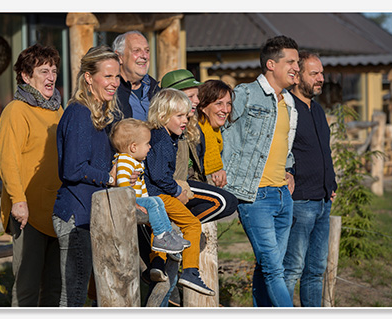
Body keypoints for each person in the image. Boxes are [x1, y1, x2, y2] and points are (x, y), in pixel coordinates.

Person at [223, 35, 300, 307]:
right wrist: (221, 170)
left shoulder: (289, 103)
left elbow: (283, 144)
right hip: (255, 197)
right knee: (274, 270)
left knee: (268, 266)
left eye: (298, 62)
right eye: (290, 62)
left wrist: (289, 170)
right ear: (271, 64)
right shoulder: (245, 94)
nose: (297, 67)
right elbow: (222, 131)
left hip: (283, 195)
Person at [53, 46, 131, 306]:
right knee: (73, 296)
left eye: (117, 76)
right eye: (107, 76)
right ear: (88, 77)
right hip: (76, 215)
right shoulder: (78, 113)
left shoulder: (101, 114)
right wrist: (109, 178)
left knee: (94, 296)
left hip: (92, 215)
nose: (114, 83)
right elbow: (72, 169)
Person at [0, 43, 63, 307]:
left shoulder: (58, 109)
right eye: (44, 71)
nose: (51, 77)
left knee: (54, 288)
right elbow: (7, 160)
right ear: (26, 76)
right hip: (28, 212)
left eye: (54, 70)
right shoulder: (16, 110)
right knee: (27, 287)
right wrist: (18, 200)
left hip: (57, 209)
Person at [144, 88, 214, 296]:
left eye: (186, 115)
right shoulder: (162, 140)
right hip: (159, 194)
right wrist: (177, 191)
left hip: (154, 196)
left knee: (162, 227)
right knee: (192, 224)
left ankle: (157, 264)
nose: (185, 120)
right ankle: (191, 271)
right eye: (179, 116)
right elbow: (159, 175)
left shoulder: (162, 136)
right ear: (162, 116)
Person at [282, 51, 337, 307]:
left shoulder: (317, 110)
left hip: (323, 200)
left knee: (315, 270)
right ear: (297, 77)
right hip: (300, 200)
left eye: (322, 73)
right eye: (314, 73)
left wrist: (331, 184)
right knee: (292, 268)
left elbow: (323, 151)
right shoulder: (286, 109)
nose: (321, 78)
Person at [110, 118, 190, 261]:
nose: (150, 147)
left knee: (157, 201)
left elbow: (142, 186)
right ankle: (160, 236)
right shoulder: (125, 161)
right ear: (133, 147)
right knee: (154, 203)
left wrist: (147, 199)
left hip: (138, 199)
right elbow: (123, 185)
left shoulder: (136, 162)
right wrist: (133, 203)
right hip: (130, 201)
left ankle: (167, 233)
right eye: (147, 144)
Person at [114, 31, 160, 121]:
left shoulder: (154, 89)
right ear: (119, 57)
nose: (144, 56)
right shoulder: (111, 91)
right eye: (137, 51)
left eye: (147, 50)